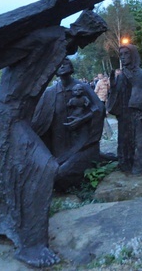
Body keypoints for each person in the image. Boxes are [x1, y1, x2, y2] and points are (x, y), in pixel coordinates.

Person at [0, 10, 107, 267]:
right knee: (43, 167)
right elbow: (0, 54)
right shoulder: (47, 37)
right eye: (92, 38)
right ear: (84, 30)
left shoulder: (60, 45)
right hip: (6, 116)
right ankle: (30, 244)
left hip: (19, 117)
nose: (88, 44)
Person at [32, 58, 105, 191]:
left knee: (61, 174)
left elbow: (99, 109)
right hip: (58, 147)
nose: (62, 66)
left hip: (81, 145)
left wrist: (82, 119)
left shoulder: (82, 88)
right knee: (48, 173)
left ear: (71, 67)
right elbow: (38, 122)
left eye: (65, 63)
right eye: (58, 64)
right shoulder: (50, 93)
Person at [108, 44, 142, 174]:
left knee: (138, 140)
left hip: (137, 114)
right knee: (124, 139)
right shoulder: (121, 76)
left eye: (126, 54)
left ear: (133, 55)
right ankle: (125, 164)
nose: (122, 57)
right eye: (120, 55)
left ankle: (140, 165)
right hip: (124, 114)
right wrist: (113, 85)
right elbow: (117, 95)